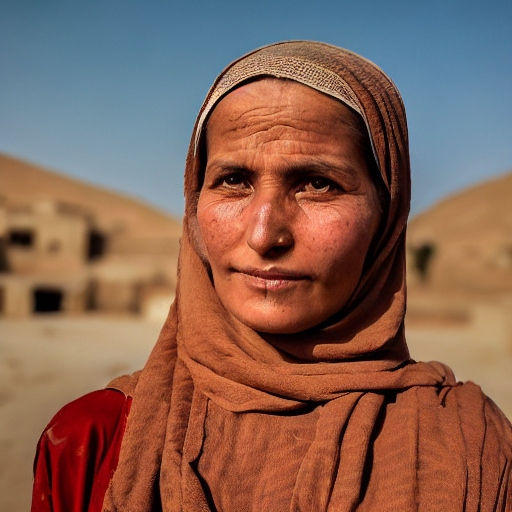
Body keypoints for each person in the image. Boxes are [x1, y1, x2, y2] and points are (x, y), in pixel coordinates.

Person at [32, 41, 511, 512]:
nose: (265, 235)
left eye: (318, 184)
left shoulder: (476, 452)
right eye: (234, 180)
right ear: (194, 207)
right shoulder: (91, 442)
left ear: (387, 217)